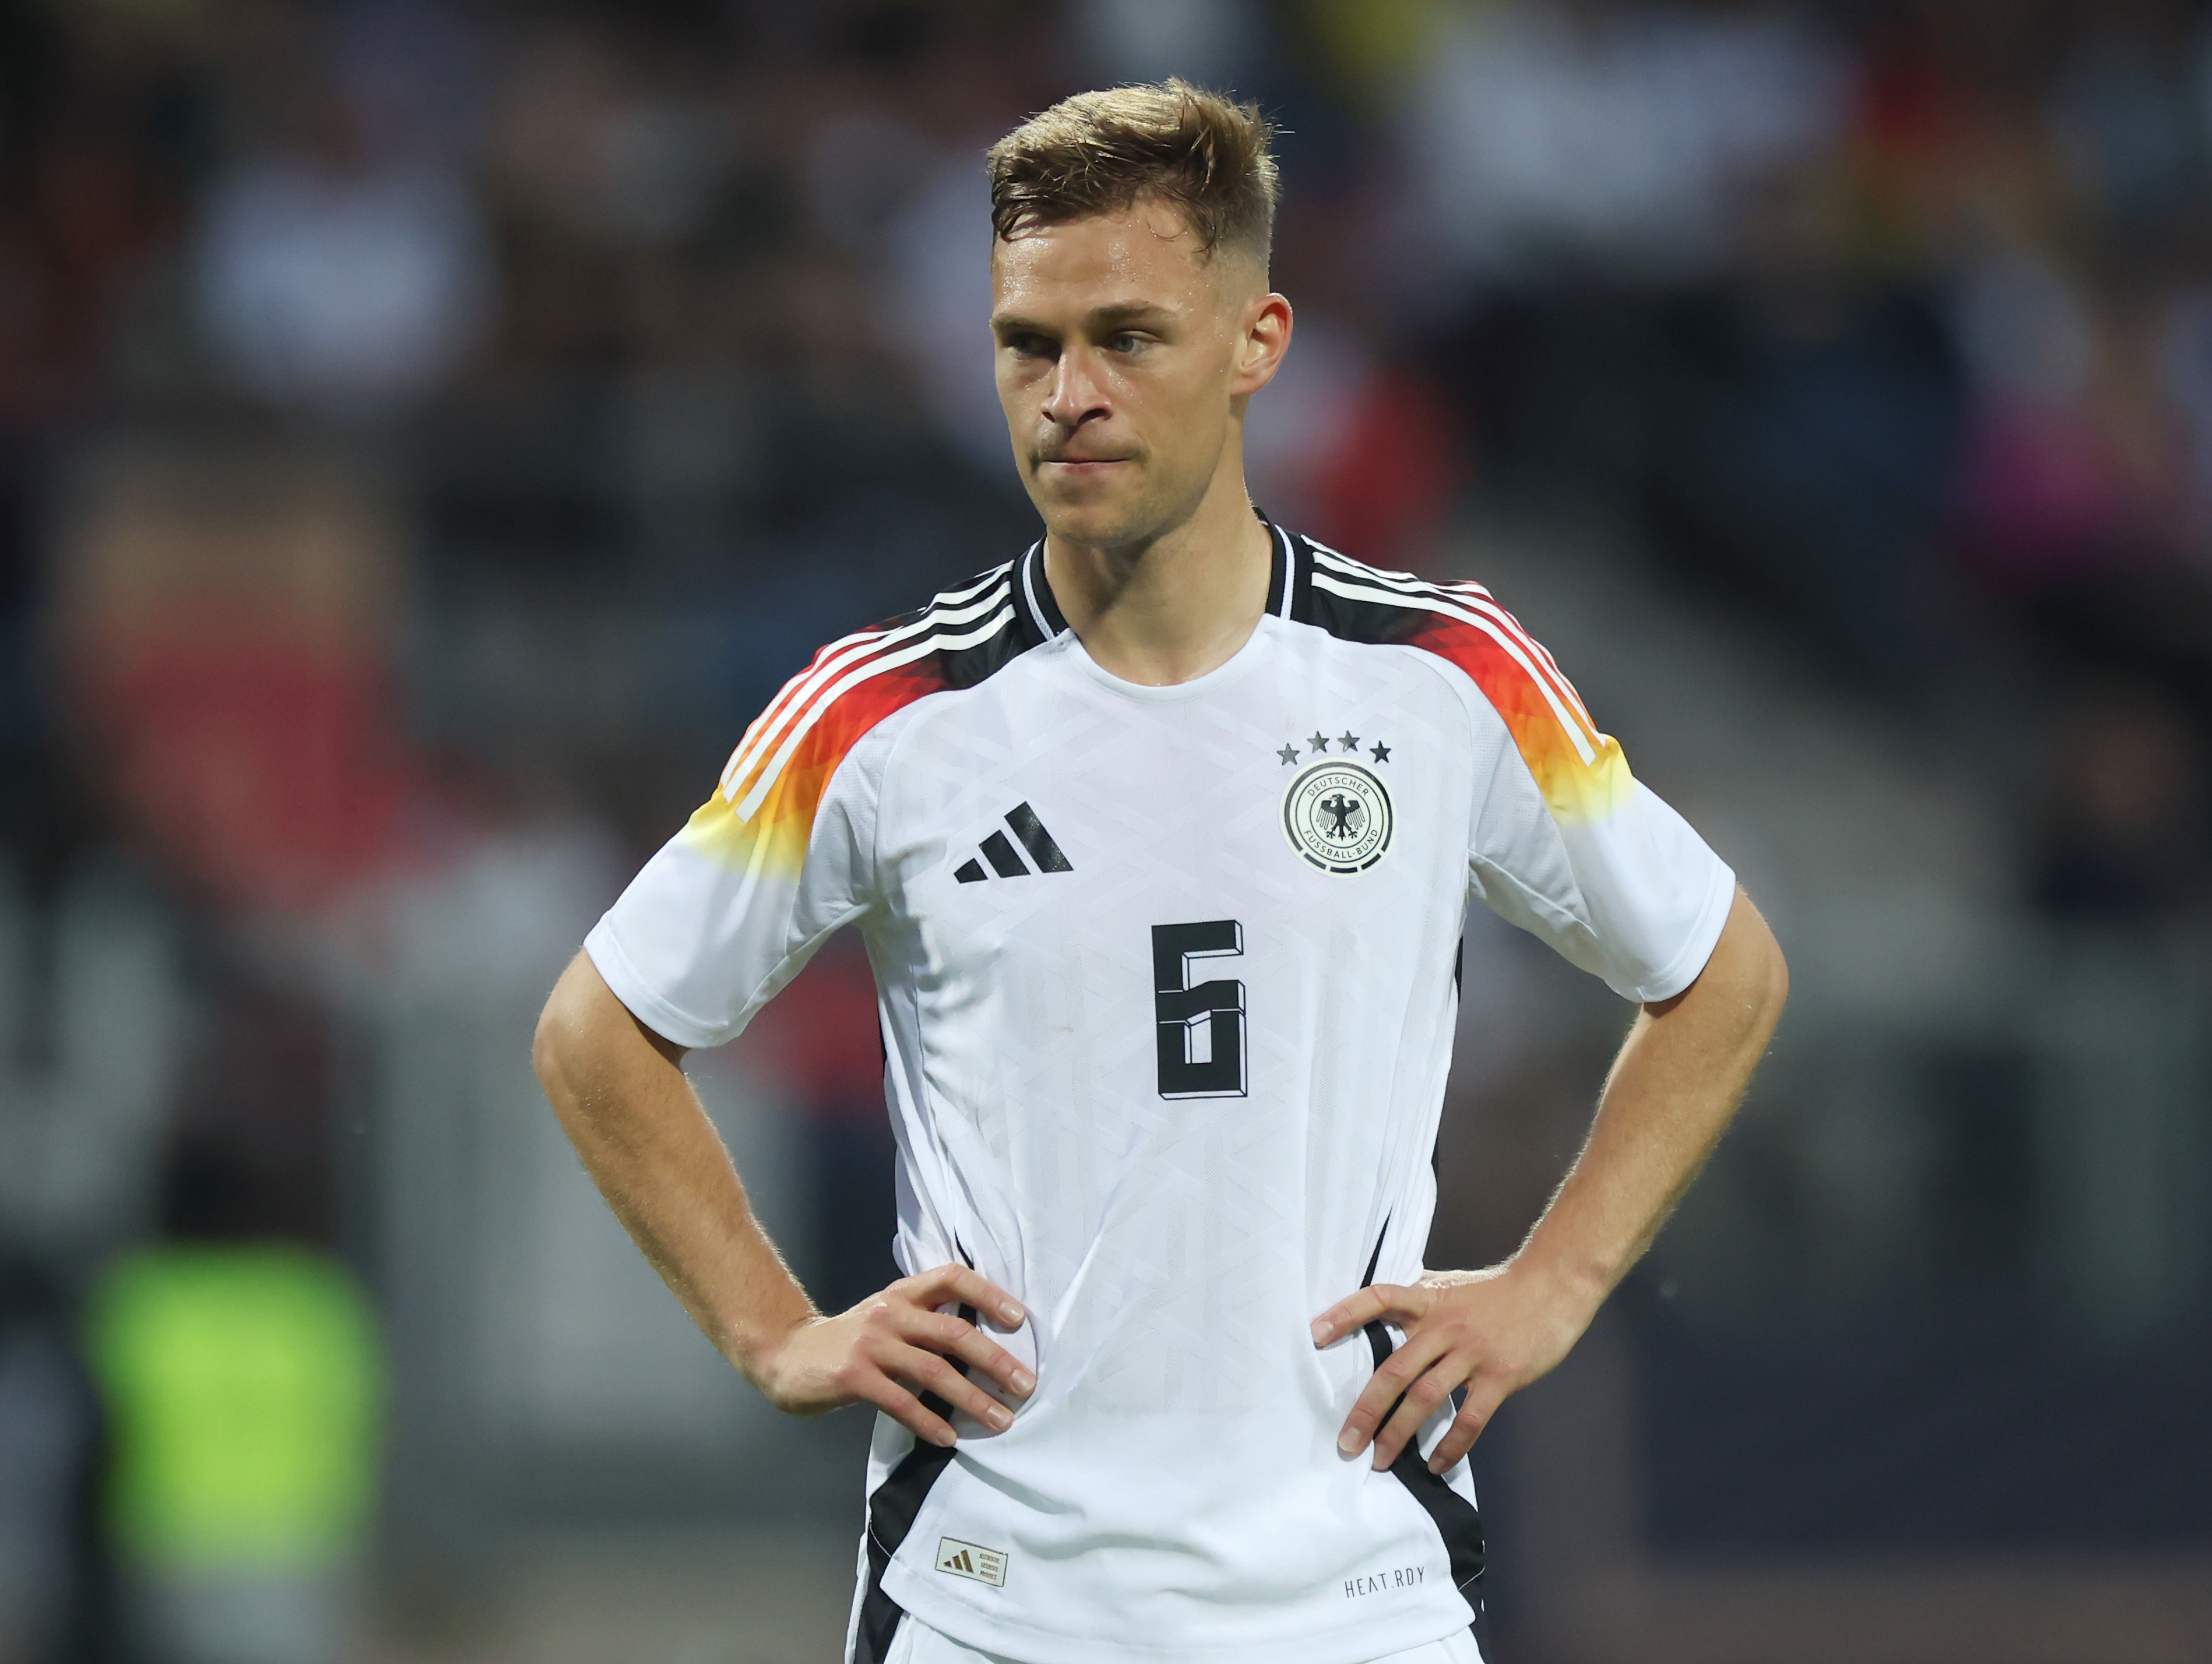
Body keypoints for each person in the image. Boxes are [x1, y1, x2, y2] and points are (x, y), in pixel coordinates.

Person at [533, 80, 1786, 1664]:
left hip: (1357, 1601)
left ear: (1258, 343)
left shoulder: (1443, 677)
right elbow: (599, 1030)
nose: (1069, 395)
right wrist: (776, 1332)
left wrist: (1556, 1282)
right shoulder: (886, 714)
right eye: (1028, 344)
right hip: (993, 1602)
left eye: (1127, 338)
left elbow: (1721, 970)